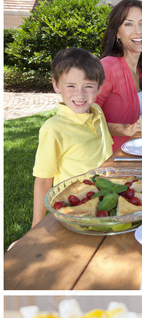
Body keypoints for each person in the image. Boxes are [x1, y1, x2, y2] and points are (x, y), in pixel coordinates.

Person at [31, 48, 113, 226]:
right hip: (73, 209)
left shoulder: (97, 112)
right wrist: (35, 227)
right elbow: (44, 181)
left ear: (99, 87)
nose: (80, 94)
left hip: (105, 201)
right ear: (56, 85)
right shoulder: (53, 129)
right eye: (71, 86)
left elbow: (105, 152)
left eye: (88, 86)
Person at [95, 0, 142, 154]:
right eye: (128, 24)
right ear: (117, 32)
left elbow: (135, 114)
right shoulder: (107, 67)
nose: (138, 31)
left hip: (137, 153)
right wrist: (126, 129)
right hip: (110, 160)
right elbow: (84, 120)